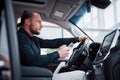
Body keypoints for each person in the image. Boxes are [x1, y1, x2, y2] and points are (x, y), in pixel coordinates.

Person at [17, 10, 88, 80]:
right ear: (27, 22)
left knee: (63, 64)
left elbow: (53, 42)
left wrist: (77, 39)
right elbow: (32, 61)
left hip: (37, 74)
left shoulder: (32, 38)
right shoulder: (20, 37)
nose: (41, 26)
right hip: (32, 75)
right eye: (39, 22)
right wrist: (58, 53)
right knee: (81, 74)